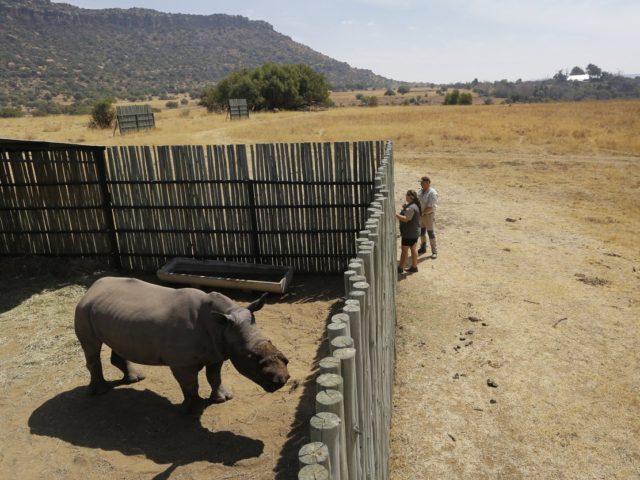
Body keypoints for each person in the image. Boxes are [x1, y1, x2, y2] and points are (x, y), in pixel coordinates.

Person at [395, 190, 421, 274]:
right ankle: (414, 266)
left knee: (404, 250)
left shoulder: (411, 208)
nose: (405, 196)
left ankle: (400, 267)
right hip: (414, 232)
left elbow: (406, 219)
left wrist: (395, 215)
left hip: (409, 233)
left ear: (411, 197)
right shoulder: (414, 206)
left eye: (407, 195)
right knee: (413, 249)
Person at [417, 175, 438, 258]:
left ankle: (434, 251)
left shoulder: (432, 193)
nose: (421, 184)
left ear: (427, 183)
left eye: (422, 182)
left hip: (428, 215)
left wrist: (422, 213)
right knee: (421, 232)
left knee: (430, 233)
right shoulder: (420, 191)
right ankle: (423, 247)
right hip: (421, 215)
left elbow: (430, 207)